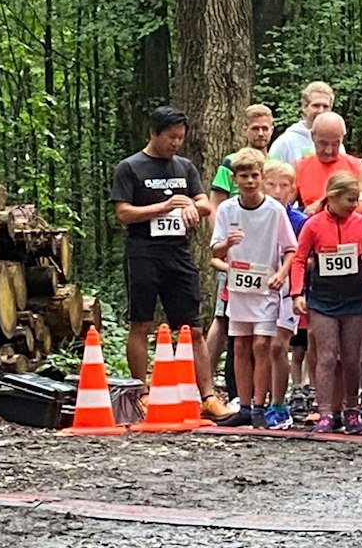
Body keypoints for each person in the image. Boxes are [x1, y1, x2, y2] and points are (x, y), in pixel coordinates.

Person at [111, 106, 231, 420]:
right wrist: (163, 206)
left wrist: (193, 206)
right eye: (170, 137)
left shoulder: (185, 167)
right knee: (141, 323)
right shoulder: (131, 167)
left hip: (178, 254)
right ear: (153, 133)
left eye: (180, 138)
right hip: (143, 252)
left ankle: (207, 396)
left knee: (193, 327)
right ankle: (141, 391)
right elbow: (123, 212)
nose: (175, 143)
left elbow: (205, 201)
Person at [290, 171, 362, 435]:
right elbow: (299, 259)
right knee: (327, 355)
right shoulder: (313, 224)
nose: (354, 205)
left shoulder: (361, 224)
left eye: (356, 200)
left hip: (354, 298)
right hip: (322, 299)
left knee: (352, 357)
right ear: (332, 197)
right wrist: (296, 293)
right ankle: (324, 412)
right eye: (350, 200)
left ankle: (352, 409)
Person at [210, 149, 299, 428]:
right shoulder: (227, 209)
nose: (250, 181)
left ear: (262, 178)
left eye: (254, 176)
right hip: (239, 288)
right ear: (235, 179)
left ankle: (260, 404)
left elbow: (291, 249)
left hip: (267, 286)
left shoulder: (274, 210)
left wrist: (281, 274)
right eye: (244, 176)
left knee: (262, 345)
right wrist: (228, 248)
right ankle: (244, 404)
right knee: (240, 346)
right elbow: (215, 251)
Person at [261, 157, 309, 427]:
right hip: (258, 288)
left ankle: (279, 403)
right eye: (271, 184)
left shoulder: (299, 220)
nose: (278, 191)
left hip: (289, 290)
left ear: (293, 189)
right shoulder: (254, 213)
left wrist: (298, 288)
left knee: (279, 346)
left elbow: (304, 258)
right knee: (260, 345)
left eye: (284, 185)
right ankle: (259, 402)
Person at [295, 112, 362, 211]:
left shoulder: (358, 168)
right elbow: (282, 203)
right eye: (323, 143)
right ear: (312, 136)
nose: (329, 150)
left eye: (335, 144)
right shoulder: (299, 167)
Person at [212, 104, 277, 196]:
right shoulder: (230, 163)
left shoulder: (276, 166)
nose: (261, 133)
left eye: (265, 129)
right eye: (255, 129)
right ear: (245, 130)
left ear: (271, 130)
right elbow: (215, 205)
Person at [270, 81, 336, 164]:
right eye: (316, 105)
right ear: (304, 107)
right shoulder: (285, 143)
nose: (321, 111)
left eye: (325, 106)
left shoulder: (336, 145)